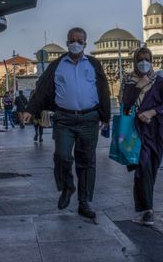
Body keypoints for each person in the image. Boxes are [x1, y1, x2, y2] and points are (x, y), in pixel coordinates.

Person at [24, 27, 110, 219]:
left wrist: (106, 116)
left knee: (87, 161)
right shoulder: (57, 65)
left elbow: (104, 90)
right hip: (64, 119)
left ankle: (84, 202)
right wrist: (30, 109)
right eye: (72, 39)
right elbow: (43, 88)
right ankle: (67, 186)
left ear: (85, 44)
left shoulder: (94, 64)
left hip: (89, 119)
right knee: (62, 156)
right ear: (67, 41)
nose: (76, 43)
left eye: (80, 40)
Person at [120, 47, 163, 226]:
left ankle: (146, 207)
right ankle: (147, 210)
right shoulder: (128, 82)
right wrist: (138, 86)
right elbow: (126, 106)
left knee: (151, 167)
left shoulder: (161, 82)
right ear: (134, 61)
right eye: (140, 59)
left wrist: (152, 112)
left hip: (157, 131)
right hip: (136, 131)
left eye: (147, 59)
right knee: (143, 167)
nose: (144, 63)